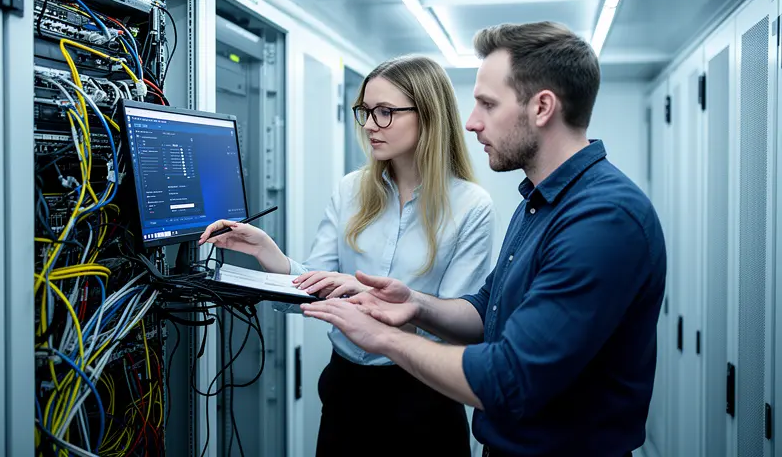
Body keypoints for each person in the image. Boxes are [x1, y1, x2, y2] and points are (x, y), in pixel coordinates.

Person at [300, 22, 667, 457]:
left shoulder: (603, 219)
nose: (471, 123)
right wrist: (415, 304)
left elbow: (508, 378)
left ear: (542, 107)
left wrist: (383, 338)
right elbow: (483, 311)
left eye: (487, 105)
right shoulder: (541, 201)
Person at [199, 55, 495, 457]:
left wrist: (367, 298)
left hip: (425, 396)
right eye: (366, 111)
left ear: (428, 114)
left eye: (386, 112)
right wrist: (272, 256)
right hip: (346, 390)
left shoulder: (470, 205)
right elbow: (317, 290)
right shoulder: (352, 190)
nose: (371, 124)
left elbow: (460, 328)